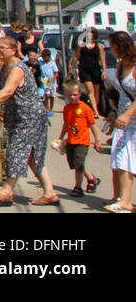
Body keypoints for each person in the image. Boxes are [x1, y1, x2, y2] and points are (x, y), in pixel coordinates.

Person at [0, 36, 59, 206]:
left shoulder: (17, 68)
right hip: (19, 118)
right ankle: (50, 192)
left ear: (13, 50)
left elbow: (8, 91)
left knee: (16, 150)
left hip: (30, 117)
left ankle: (7, 190)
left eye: (3, 48)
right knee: (32, 156)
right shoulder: (4, 69)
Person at [102, 30, 136, 212]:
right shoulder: (122, 64)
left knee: (126, 158)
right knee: (121, 158)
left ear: (121, 45)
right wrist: (114, 113)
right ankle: (122, 198)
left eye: (112, 45)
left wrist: (128, 114)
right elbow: (120, 93)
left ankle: (125, 200)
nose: (111, 49)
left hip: (132, 119)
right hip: (124, 121)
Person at [56, 80, 102, 197]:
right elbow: (66, 124)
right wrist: (61, 137)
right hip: (71, 140)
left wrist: (97, 139)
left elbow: (92, 125)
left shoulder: (85, 108)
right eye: (69, 95)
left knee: (78, 164)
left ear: (80, 93)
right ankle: (92, 179)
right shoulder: (67, 108)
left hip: (82, 141)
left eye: (75, 95)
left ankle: (78, 187)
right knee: (75, 164)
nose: (72, 97)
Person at [72, 29, 107, 119]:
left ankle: (93, 108)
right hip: (84, 69)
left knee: (96, 92)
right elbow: (76, 56)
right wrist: (71, 68)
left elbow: (102, 59)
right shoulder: (81, 45)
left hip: (95, 70)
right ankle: (96, 112)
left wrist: (104, 71)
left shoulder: (99, 46)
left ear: (94, 35)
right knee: (90, 90)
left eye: (91, 34)